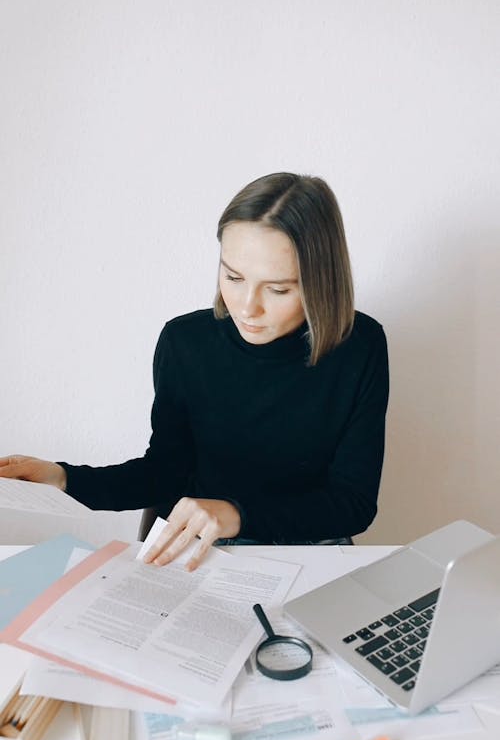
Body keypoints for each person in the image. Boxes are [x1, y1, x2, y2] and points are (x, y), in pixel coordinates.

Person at [0, 172, 389, 570]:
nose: (246, 306)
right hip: (199, 555)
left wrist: (234, 514)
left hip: (306, 551)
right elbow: (165, 472)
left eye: (278, 289)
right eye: (233, 277)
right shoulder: (185, 342)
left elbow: (352, 504)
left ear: (321, 281)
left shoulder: (360, 347)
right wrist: (64, 480)